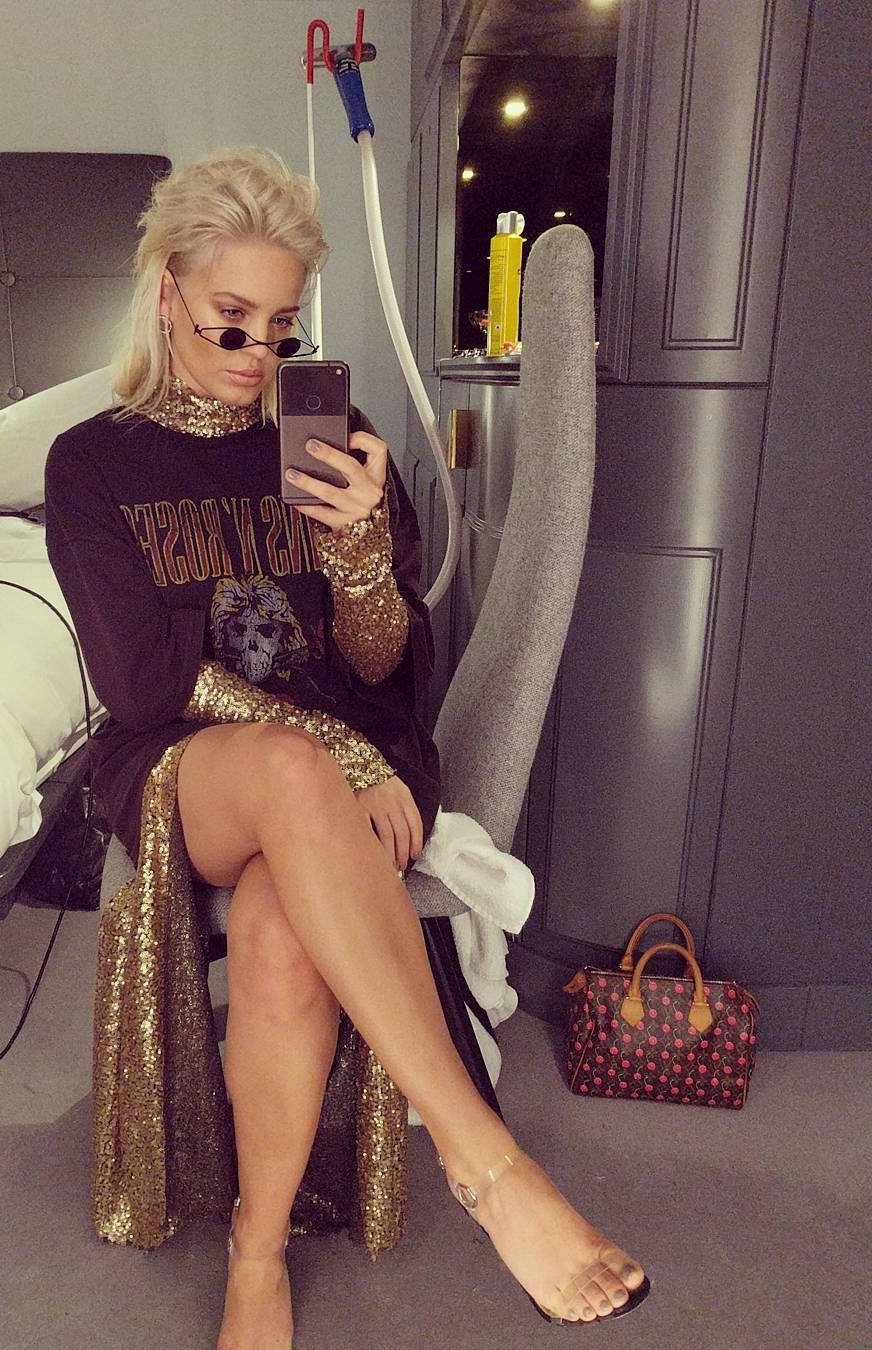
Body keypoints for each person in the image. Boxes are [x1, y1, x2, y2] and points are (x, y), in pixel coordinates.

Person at [45, 147, 649, 1349]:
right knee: (289, 770)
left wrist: (365, 549)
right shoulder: (92, 464)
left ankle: (257, 1256)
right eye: (229, 321)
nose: (256, 356)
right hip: (188, 768)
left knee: (282, 928)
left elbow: (382, 666)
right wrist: (339, 756)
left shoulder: (332, 438)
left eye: (281, 327)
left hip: (348, 771)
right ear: (166, 291)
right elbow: (143, 682)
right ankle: (488, 1166)